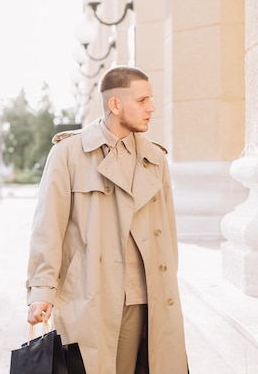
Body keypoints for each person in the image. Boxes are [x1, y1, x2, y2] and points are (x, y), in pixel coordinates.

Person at [25, 65, 189, 374]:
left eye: (151, 99)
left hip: (149, 299)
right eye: (142, 100)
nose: (151, 108)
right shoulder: (70, 154)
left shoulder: (155, 159)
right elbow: (48, 227)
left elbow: (167, 234)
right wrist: (42, 290)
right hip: (94, 296)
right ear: (115, 104)